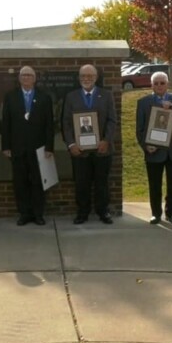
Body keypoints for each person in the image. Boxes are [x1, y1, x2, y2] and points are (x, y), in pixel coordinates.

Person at [63, 64, 117, 224]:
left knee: (102, 182)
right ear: (79, 78)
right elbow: (65, 123)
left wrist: (106, 140)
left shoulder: (106, 95)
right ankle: (82, 212)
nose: (86, 79)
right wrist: (71, 144)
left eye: (90, 76)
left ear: (96, 77)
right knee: (81, 183)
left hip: (102, 149)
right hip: (80, 150)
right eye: (83, 76)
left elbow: (112, 120)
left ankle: (103, 211)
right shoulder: (71, 97)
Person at [1, 65, 54, 226]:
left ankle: (38, 214)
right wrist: (6, 146)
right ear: (19, 78)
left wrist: (49, 147)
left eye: (29, 75)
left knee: (38, 182)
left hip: (39, 148)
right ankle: (24, 213)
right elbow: (6, 124)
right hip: (17, 148)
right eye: (23, 75)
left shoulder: (44, 97)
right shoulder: (11, 97)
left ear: (35, 78)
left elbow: (49, 125)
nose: (26, 78)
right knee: (20, 182)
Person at [136, 71, 172, 224]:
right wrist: (146, 146)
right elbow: (139, 129)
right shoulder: (143, 102)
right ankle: (156, 214)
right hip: (154, 152)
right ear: (151, 85)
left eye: (162, 83)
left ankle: (171, 213)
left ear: (168, 84)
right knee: (155, 185)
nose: (159, 86)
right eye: (156, 83)